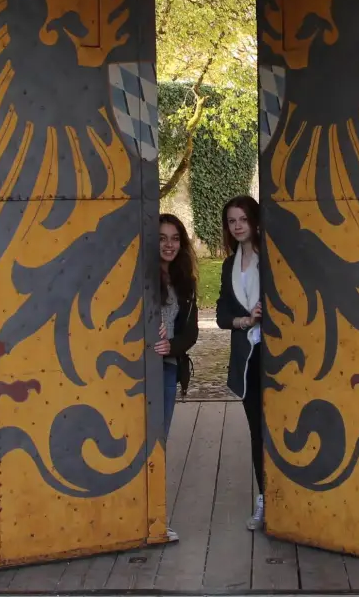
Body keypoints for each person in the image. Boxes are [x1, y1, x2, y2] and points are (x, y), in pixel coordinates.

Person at [215, 194, 266, 532]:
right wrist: (244, 321)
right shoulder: (227, 265)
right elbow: (221, 315)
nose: (237, 226)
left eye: (242, 219)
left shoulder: (272, 259)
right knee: (256, 432)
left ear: (254, 221)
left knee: (279, 427)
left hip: (274, 355)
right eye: (232, 221)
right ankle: (264, 498)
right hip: (246, 358)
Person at [154, 213, 200, 544]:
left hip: (168, 367)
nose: (169, 244)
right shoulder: (141, 277)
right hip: (135, 370)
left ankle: (156, 519)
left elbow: (192, 331)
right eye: (162, 238)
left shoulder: (186, 281)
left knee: (159, 443)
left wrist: (172, 344)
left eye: (175, 238)